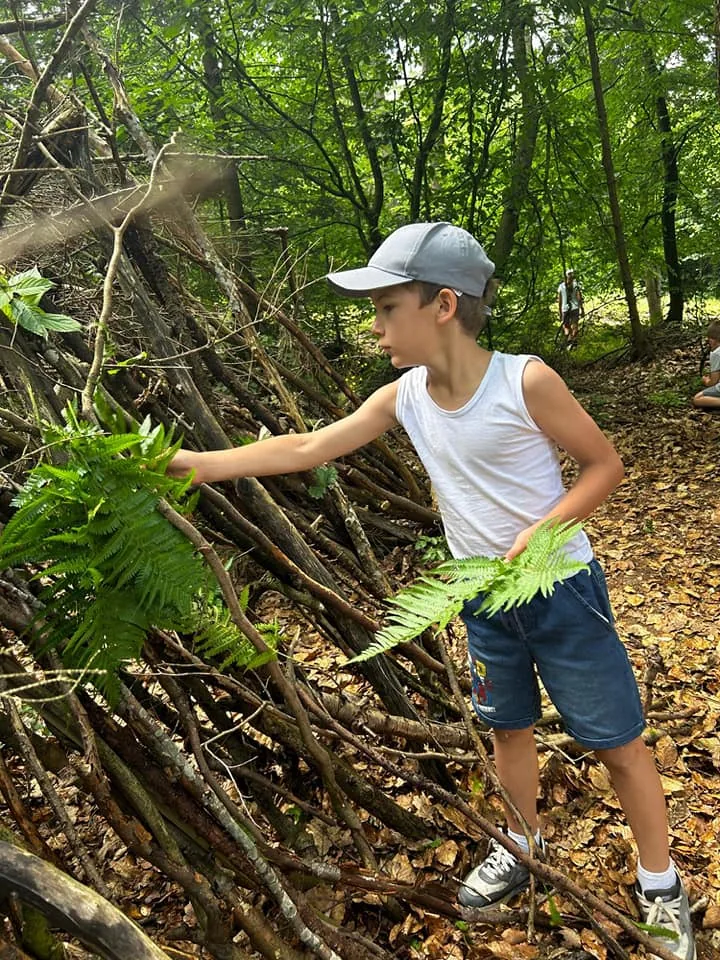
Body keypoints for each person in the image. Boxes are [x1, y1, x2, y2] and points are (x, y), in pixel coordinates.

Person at [169, 222, 695, 960]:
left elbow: (604, 465)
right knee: (507, 730)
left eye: (388, 309)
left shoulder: (525, 381)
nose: (376, 326)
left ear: (443, 305)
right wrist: (202, 464)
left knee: (616, 745)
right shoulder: (405, 397)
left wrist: (544, 531)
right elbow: (308, 446)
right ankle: (521, 843)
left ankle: (660, 884)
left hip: (562, 590)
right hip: (480, 600)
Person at [691, 320, 720, 410]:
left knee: (697, 399)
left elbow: (714, 382)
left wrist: (706, 381)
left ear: (712, 340)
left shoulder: (716, 353)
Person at [557, 268, 584, 349]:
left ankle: (569, 341)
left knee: (566, 326)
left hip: (565, 309)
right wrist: (582, 308)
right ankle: (573, 342)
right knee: (574, 325)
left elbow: (559, 300)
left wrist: (560, 311)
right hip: (575, 308)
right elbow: (579, 298)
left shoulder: (561, 286)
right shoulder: (576, 285)